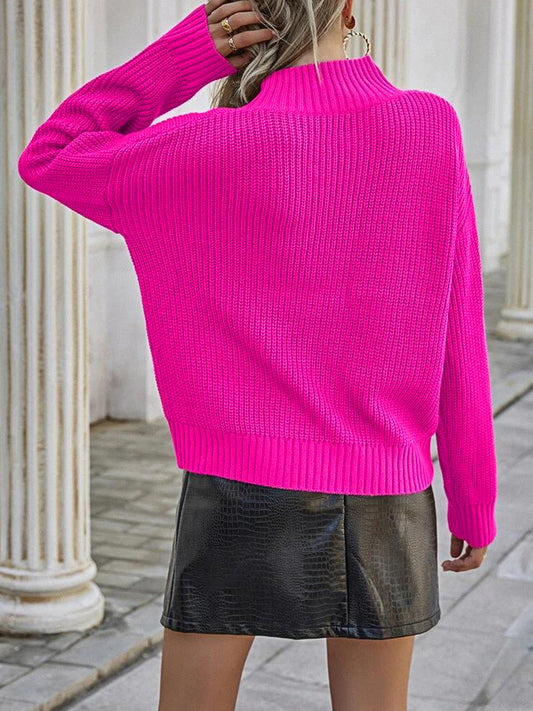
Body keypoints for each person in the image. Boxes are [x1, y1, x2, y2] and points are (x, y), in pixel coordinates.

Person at [17, 0, 498, 709]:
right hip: (386, 494)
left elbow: (51, 153)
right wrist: (472, 496)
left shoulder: (201, 146)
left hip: (234, 490)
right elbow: (459, 324)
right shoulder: (428, 126)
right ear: (348, 10)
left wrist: (185, 54)